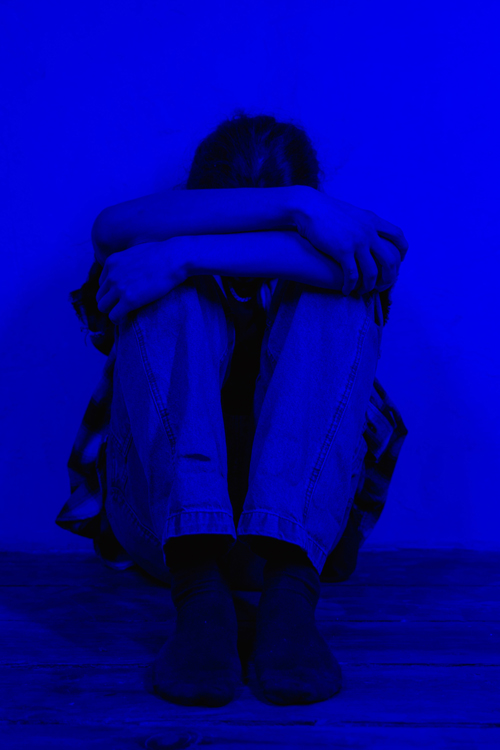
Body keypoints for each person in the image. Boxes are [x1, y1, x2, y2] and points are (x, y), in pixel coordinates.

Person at [57, 112, 409, 708]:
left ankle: (290, 598)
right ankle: (201, 597)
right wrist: (294, 205)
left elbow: (378, 260)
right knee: (164, 290)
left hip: (306, 545)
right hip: (167, 540)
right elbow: (112, 228)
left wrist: (186, 252)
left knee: (344, 294)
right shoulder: (144, 255)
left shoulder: (337, 253)